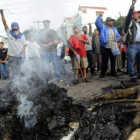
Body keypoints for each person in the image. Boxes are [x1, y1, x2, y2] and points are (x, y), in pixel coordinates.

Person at [0, 9, 27, 78]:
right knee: (14, 71)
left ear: (18, 27)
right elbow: (4, 23)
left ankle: (22, 83)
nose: (14, 27)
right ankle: (15, 84)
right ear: (11, 27)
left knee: (21, 70)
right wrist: (2, 14)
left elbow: (24, 44)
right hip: (12, 56)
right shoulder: (9, 33)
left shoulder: (22, 35)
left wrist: (23, 52)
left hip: (20, 56)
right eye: (13, 26)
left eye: (15, 26)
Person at [95, 12, 120, 78]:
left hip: (112, 47)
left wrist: (117, 39)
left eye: (112, 21)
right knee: (104, 61)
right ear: (108, 21)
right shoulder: (103, 27)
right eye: (111, 21)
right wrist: (100, 15)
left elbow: (118, 36)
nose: (112, 22)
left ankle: (113, 72)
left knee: (113, 61)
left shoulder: (114, 28)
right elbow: (97, 23)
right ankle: (102, 73)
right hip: (105, 47)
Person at [124, 0, 140, 82]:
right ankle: (132, 76)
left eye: (138, 13)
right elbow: (127, 18)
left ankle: (139, 75)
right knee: (131, 61)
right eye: (136, 13)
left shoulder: (138, 24)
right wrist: (132, 6)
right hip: (132, 45)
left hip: (139, 45)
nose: (138, 15)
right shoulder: (129, 23)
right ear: (132, 16)